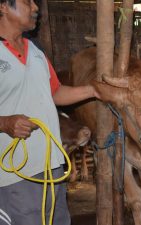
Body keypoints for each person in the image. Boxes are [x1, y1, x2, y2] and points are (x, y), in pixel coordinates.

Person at [0, 0, 99, 224]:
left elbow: (55, 92)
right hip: (13, 173)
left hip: (52, 165)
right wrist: (4, 122)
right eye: (27, 2)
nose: (35, 8)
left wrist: (94, 89)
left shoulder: (35, 50)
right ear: (3, 6)